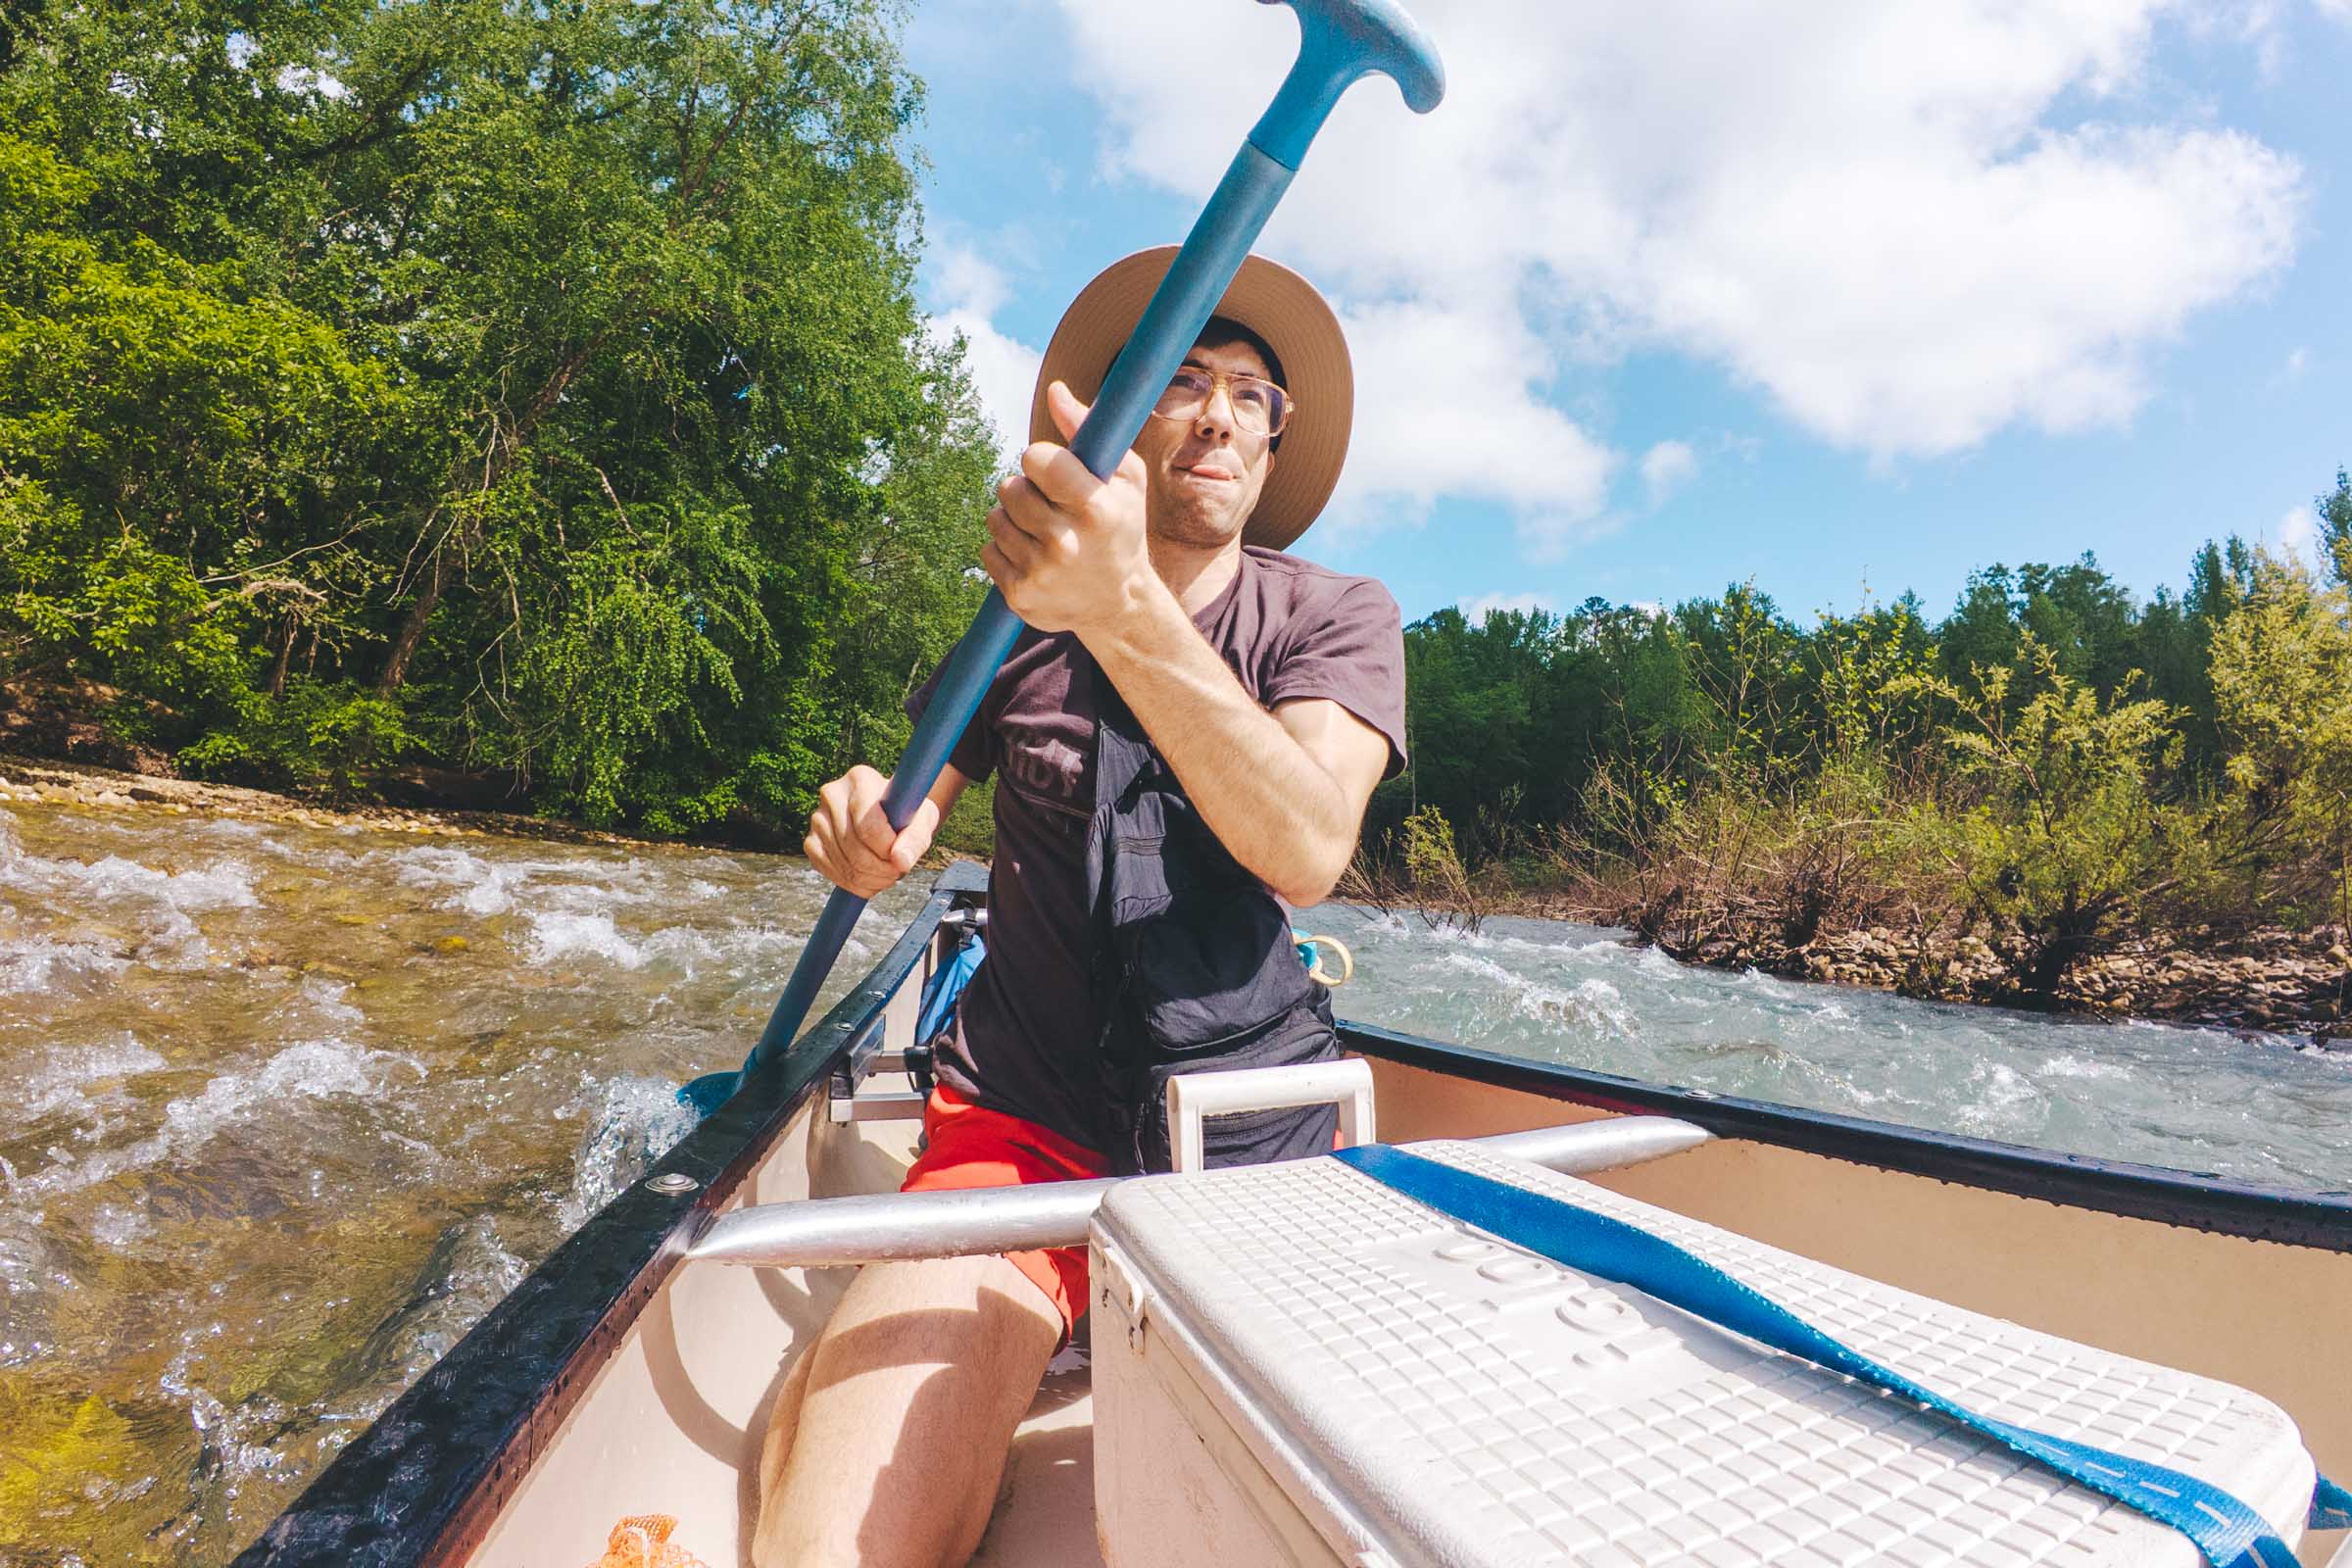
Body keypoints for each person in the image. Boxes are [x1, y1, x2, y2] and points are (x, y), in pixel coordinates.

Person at [752, 248, 1406, 1568]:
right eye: (1182, 385)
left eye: (1250, 397)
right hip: (1022, 1124)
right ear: (1125, 426)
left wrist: (1121, 611)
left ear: (1272, 446)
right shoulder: (1011, 628)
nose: (1219, 415)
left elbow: (1306, 845)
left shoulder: (1337, 614)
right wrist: (873, 832)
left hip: (1253, 1146)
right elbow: (913, 809)